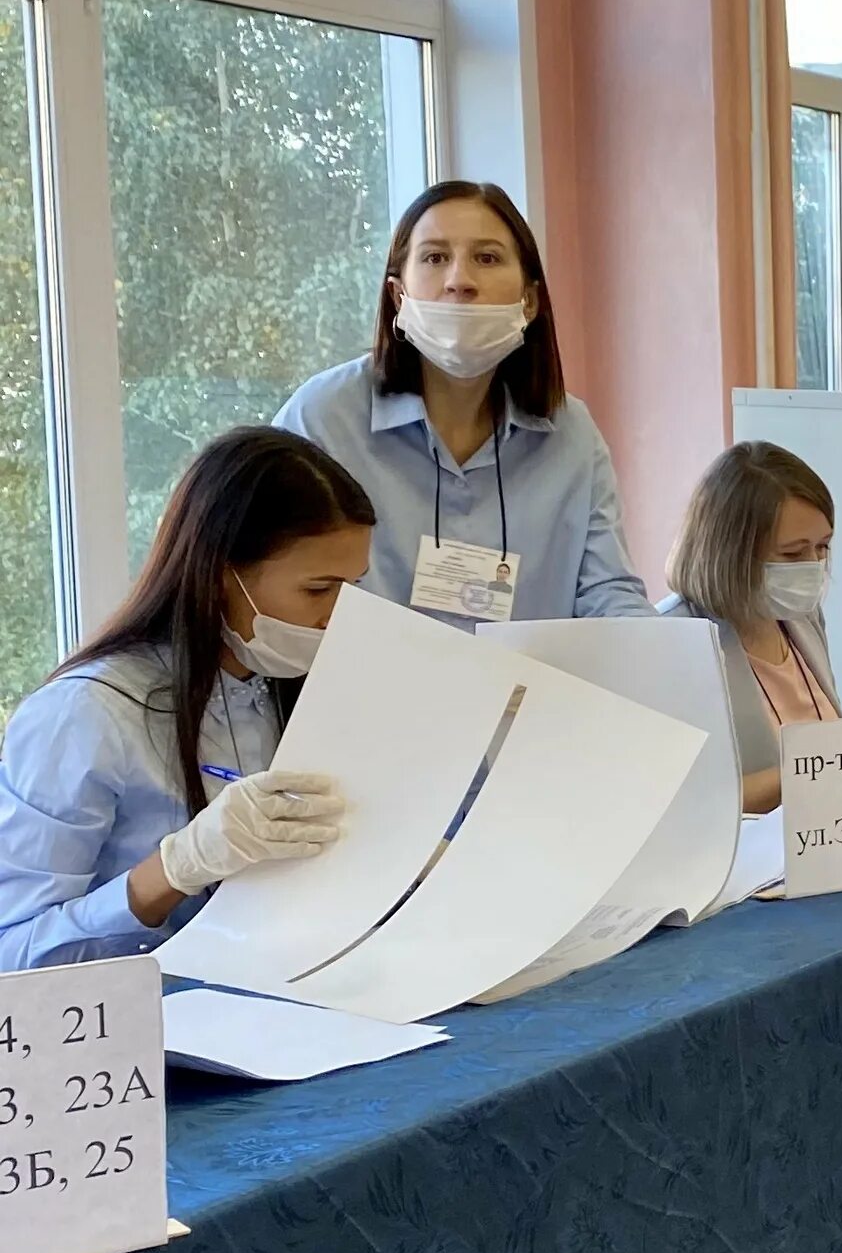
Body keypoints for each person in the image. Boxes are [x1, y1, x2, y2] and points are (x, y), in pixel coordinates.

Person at [0, 429, 371, 971]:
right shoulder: (86, 716)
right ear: (222, 574)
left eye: (353, 588)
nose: (339, 616)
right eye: (318, 590)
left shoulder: (297, 685)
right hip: (132, 1033)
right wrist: (172, 872)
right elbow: (13, 954)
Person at [277, 179, 650, 626]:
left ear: (529, 301)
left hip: (528, 695)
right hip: (364, 691)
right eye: (435, 258)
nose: (460, 281)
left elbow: (609, 594)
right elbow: (272, 588)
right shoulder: (321, 419)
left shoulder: (572, 435)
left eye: (487, 258)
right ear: (398, 295)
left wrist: (659, 661)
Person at [661, 441, 842, 814]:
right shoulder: (671, 642)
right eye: (793, 553)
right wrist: (822, 765)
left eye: (822, 547)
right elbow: (682, 804)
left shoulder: (800, 618)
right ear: (732, 553)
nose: (813, 566)